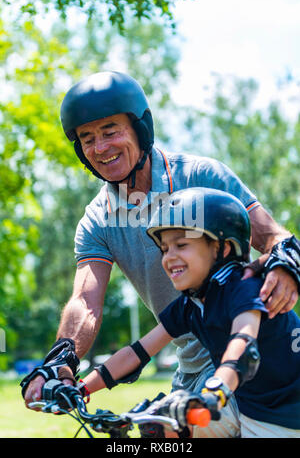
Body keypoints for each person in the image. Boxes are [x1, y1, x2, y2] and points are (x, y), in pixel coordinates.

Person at [21, 71, 299, 438]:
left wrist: (287, 267)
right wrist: (62, 361)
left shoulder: (202, 177)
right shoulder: (97, 221)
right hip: (188, 363)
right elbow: (85, 303)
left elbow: (274, 237)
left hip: (255, 362)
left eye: (110, 131)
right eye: (87, 139)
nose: (100, 147)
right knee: (154, 431)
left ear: (140, 128)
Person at [79, 187, 300, 438]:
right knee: (160, 427)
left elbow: (244, 346)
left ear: (223, 248)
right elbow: (138, 352)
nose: (169, 257)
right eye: (164, 249)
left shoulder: (244, 286)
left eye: (181, 245)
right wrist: (82, 389)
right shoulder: (190, 304)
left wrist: (214, 391)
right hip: (244, 403)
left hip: (284, 416)